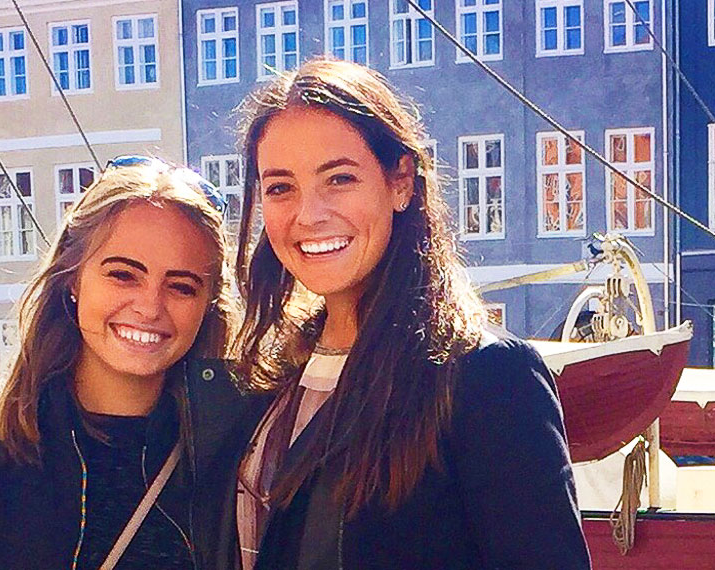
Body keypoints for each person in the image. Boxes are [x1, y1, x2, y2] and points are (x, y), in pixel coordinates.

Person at [218, 58, 588, 569]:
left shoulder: (485, 377)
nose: (308, 214)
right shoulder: (272, 375)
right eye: (281, 187)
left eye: (339, 178)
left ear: (401, 182)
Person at [0, 158, 247, 569]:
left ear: (208, 305)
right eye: (123, 275)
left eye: (181, 286)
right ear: (72, 278)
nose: (149, 306)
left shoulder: (237, 453)